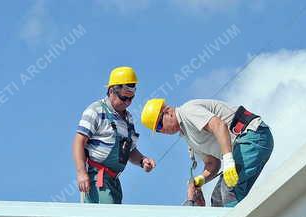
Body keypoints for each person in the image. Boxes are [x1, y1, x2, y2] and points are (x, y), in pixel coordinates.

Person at [141, 98, 273, 207]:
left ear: (168, 112)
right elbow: (212, 163)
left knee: (229, 188)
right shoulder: (188, 136)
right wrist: (200, 180)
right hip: (247, 144)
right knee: (218, 200)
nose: (162, 131)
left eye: (159, 125)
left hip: (253, 135)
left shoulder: (188, 111)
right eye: (158, 131)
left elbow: (219, 125)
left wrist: (228, 160)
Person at [73, 67, 155, 204]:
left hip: (114, 181)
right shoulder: (96, 110)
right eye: (124, 98)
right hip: (97, 179)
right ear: (111, 91)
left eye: (131, 98)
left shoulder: (128, 118)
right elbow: (78, 142)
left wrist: (142, 160)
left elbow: (129, 150)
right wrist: (81, 172)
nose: (128, 102)